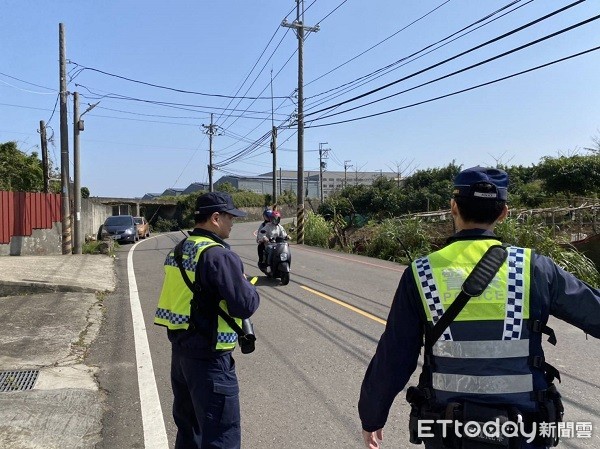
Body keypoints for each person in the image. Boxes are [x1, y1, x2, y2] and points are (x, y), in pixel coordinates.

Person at [358, 166, 600, 449]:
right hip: (525, 429)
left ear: (453, 208)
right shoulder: (533, 268)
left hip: (448, 429)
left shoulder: (422, 273)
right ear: (503, 213)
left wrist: (372, 416)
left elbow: (395, 354)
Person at [154, 191, 260, 449]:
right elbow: (245, 305)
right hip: (211, 360)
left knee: (190, 431)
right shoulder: (218, 256)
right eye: (230, 217)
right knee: (221, 435)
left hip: (181, 355)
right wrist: (247, 285)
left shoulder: (179, 250)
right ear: (215, 218)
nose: (233, 222)